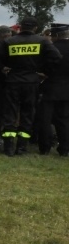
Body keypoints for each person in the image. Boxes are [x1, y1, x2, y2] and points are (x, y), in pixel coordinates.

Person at [0, 16, 61, 156]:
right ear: (35, 28)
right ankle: (21, 147)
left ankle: (8, 147)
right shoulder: (42, 41)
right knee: (27, 114)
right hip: (32, 82)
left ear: (20, 27)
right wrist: (44, 72)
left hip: (12, 81)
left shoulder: (9, 41)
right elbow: (56, 57)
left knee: (10, 114)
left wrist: (3, 68)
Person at [38, 23, 69, 156]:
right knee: (64, 119)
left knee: (45, 118)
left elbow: (43, 68)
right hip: (67, 89)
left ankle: (45, 147)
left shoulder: (50, 49)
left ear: (55, 35)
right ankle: (64, 148)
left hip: (50, 87)